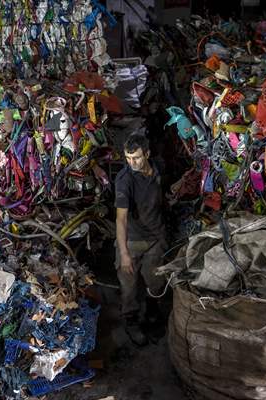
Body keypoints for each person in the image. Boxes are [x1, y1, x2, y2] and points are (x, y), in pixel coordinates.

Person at [115, 133, 168, 346]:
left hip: (157, 237)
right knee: (129, 286)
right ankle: (131, 320)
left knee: (156, 281)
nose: (132, 163)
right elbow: (121, 219)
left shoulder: (159, 168)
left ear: (147, 154)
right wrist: (124, 254)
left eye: (136, 158)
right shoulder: (124, 180)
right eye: (128, 158)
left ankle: (153, 312)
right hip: (133, 240)